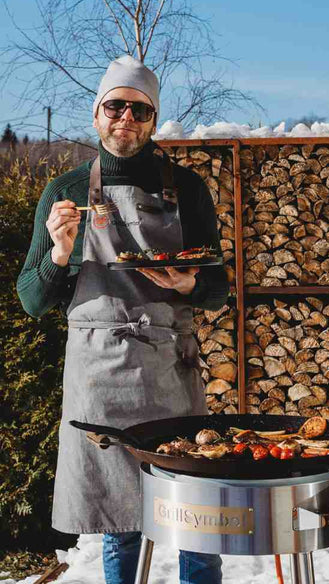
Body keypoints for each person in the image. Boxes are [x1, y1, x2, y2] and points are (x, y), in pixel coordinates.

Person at [17, 55, 228, 584]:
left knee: (195, 517)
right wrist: (59, 254)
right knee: (121, 521)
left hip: (171, 371)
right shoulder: (63, 191)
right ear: (97, 114)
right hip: (99, 376)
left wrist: (190, 284)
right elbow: (32, 299)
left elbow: (219, 288)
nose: (126, 118)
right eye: (116, 105)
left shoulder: (187, 188)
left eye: (140, 109)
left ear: (154, 120)